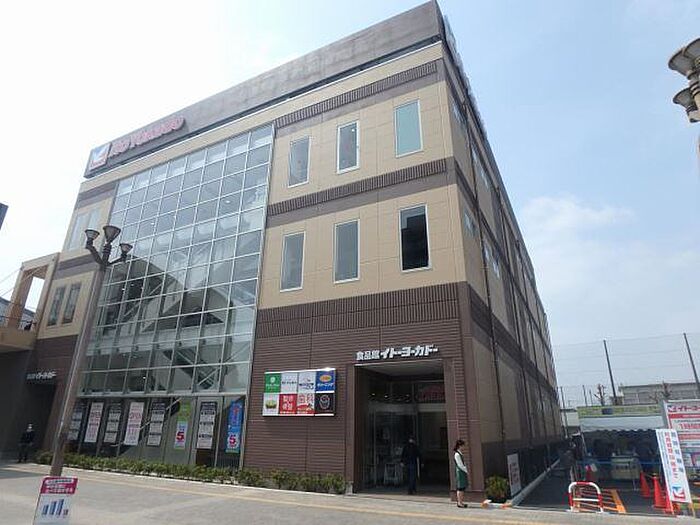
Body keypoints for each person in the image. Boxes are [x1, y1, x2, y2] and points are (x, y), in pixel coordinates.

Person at [454, 439, 469, 508]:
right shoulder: (457, 454)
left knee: (462, 487)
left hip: (462, 471)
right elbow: (460, 465)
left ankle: (461, 502)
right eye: (462, 445)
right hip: (460, 472)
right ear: (459, 446)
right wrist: (466, 470)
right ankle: (459, 502)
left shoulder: (460, 453)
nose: (463, 447)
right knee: (460, 487)